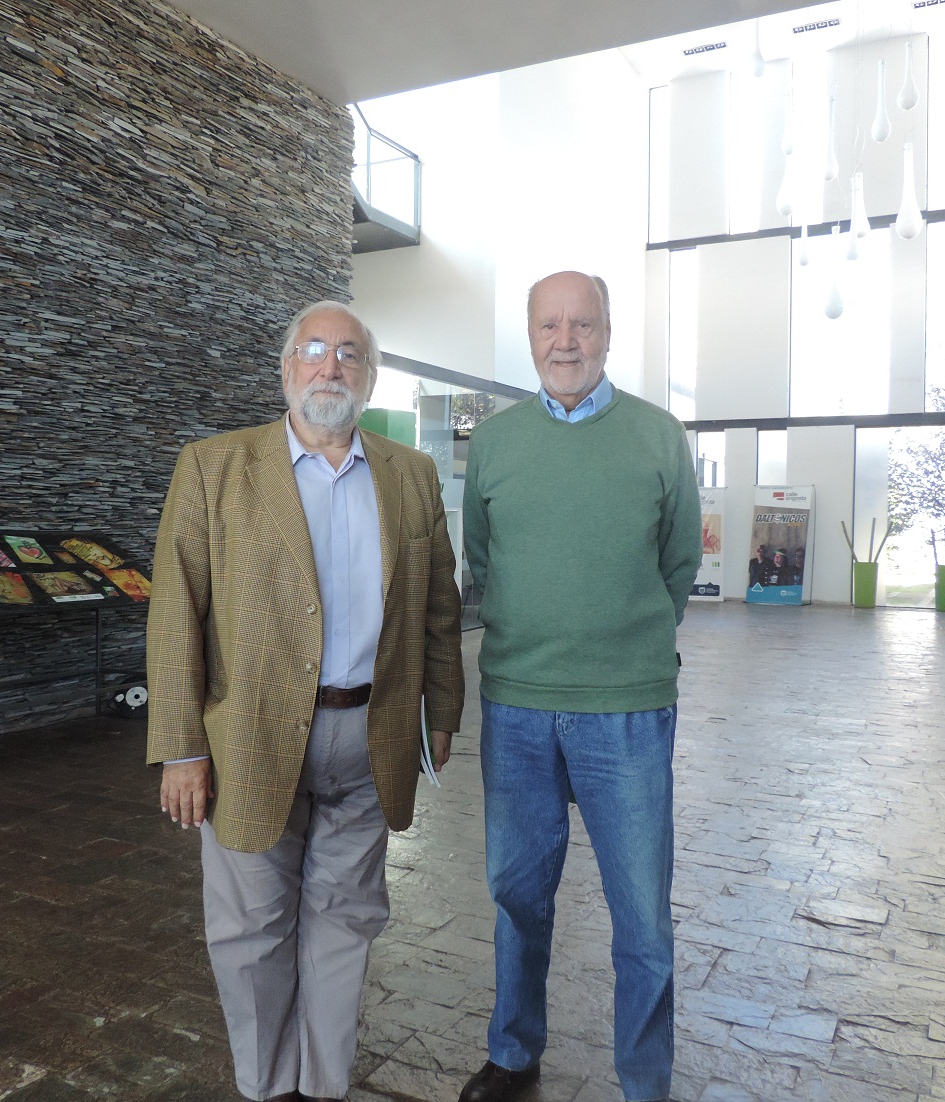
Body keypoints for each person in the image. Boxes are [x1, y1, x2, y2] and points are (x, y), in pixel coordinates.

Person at [146, 300, 465, 1102]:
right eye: (313, 351)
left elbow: (438, 611)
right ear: (286, 368)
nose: (330, 367)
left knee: (346, 922)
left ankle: (322, 1087)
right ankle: (265, 1088)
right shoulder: (214, 467)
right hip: (245, 742)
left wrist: (442, 714)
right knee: (250, 931)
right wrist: (181, 748)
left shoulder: (410, 475)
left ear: (370, 375)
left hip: (370, 736)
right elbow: (176, 614)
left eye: (349, 354)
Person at [460, 271, 701, 1102]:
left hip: (626, 711)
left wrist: (621, 646)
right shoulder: (492, 444)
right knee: (516, 897)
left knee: (641, 919)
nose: (565, 341)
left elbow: (676, 568)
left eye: (582, 325)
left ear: (608, 332)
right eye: (549, 325)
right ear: (529, 336)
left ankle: (644, 1082)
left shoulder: (659, 437)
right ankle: (512, 1051)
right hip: (516, 706)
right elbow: (483, 565)